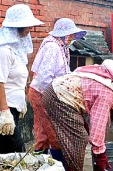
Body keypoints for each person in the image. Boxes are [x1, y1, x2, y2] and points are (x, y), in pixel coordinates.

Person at [0, 3, 44, 154]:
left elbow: (19, 80)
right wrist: (4, 112)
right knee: (16, 148)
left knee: (5, 146)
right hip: (0, 106)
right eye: (27, 26)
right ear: (16, 27)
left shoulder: (17, 50)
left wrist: (22, 100)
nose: (30, 29)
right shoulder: (3, 51)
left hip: (13, 104)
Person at [28, 18, 86, 162]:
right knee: (54, 130)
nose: (72, 37)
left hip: (44, 91)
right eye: (70, 34)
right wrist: (56, 96)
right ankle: (60, 165)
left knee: (43, 131)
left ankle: (40, 163)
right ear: (63, 34)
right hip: (43, 92)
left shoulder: (61, 47)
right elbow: (44, 77)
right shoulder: (53, 47)